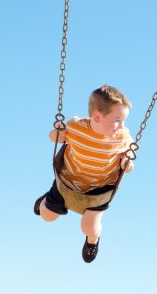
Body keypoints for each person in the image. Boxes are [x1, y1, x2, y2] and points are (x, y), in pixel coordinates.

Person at [34, 85, 134, 263]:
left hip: (99, 190)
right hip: (68, 181)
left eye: (124, 120)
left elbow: (128, 159)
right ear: (97, 116)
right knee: (47, 216)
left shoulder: (123, 138)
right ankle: (46, 199)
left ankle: (92, 241)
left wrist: (127, 164)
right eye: (117, 120)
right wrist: (57, 134)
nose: (122, 126)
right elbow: (53, 137)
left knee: (88, 227)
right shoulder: (76, 127)